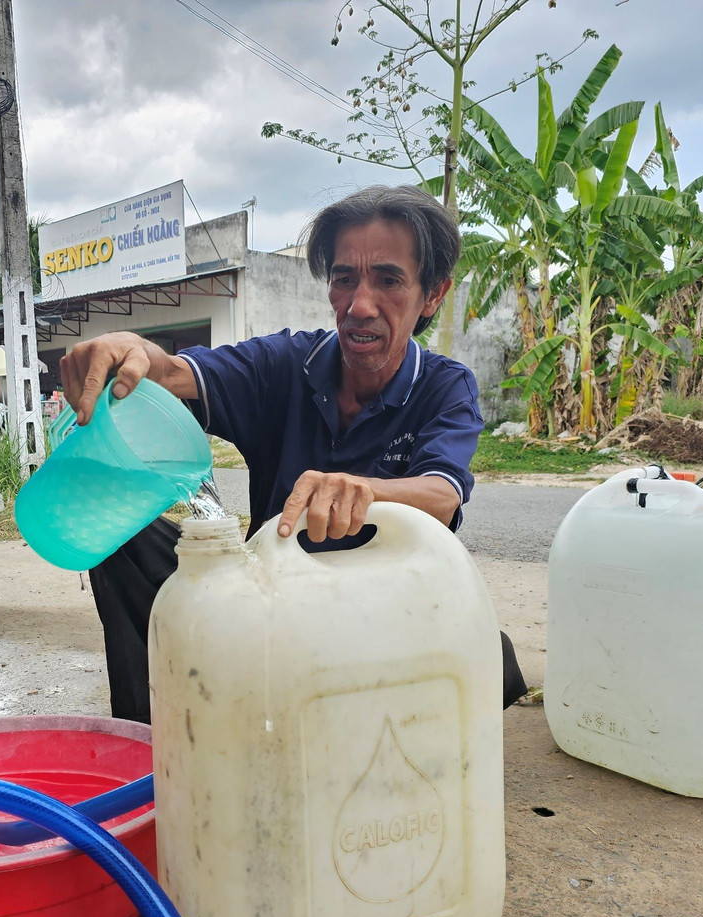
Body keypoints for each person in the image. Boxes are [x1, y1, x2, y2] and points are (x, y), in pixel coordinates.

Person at [60, 184, 528, 723]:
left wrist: (364, 490)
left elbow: (442, 496)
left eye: (389, 280)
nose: (359, 305)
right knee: (128, 534)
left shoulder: (446, 386)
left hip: (378, 615)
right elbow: (174, 373)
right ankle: (153, 744)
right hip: (263, 601)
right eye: (344, 278)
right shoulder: (284, 363)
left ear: (432, 295)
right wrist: (133, 353)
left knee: (493, 656)